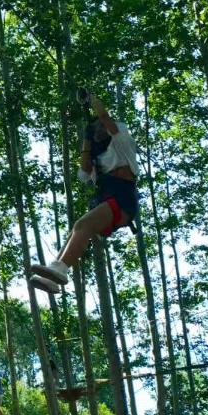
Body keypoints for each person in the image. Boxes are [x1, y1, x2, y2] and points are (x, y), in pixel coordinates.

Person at [31, 90, 139, 293]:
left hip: (123, 197)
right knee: (77, 228)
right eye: (95, 129)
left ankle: (61, 270)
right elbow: (83, 173)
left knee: (83, 225)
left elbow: (105, 117)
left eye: (100, 127)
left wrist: (91, 99)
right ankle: (54, 276)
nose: (99, 128)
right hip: (108, 198)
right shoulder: (98, 159)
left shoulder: (120, 141)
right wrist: (87, 140)